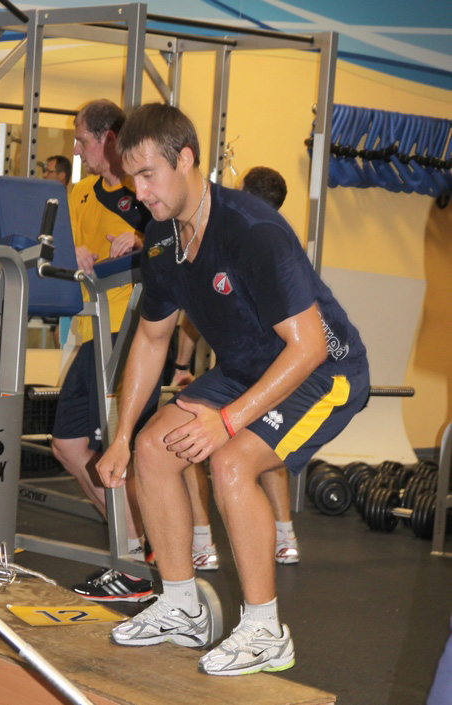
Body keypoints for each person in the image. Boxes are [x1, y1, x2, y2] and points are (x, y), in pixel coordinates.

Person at [96, 102, 370, 676]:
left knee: (231, 464)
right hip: (247, 366)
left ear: (185, 159)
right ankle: (181, 607)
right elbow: (151, 339)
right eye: (130, 177)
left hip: (323, 371)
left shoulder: (252, 230)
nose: (138, 192)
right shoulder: (162, 238)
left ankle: (266, 631)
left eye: (147, 175)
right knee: (152, 448)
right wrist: (120, 435)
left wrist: (226, 421)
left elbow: (309, 348)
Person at [51, 99, 158, 602]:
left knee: (119, 453)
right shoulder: (78, 193)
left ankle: (137, 564)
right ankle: (133, 549)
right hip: (90, 328)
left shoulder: (144, 195)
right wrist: (66, 251)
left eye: (81, 140)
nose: (76, 150)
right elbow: (55, 249)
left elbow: (176, 242)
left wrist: (138, 240)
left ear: (107, 139)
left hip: (127, 332)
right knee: (69, 447)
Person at [172, 166, 298, 570]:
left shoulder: (241, 239)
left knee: (193, 441)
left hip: (254, 372)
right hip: (271, 372)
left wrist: (180, 364)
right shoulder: (280, 240)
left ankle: (204, 543)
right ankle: (285, 538)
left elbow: (197, 314)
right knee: (264, 452)